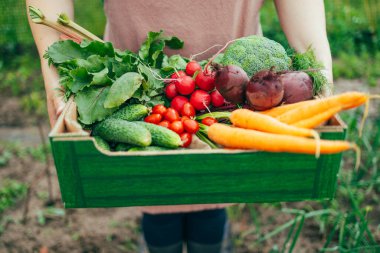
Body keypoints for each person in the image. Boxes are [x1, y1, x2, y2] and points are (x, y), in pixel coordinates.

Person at [27, 1, 333, 252]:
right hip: (136, 74)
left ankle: (211, 241)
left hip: (235, 86)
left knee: (215, 186)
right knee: (154, 191)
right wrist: (50, 67)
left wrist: (320, 61)